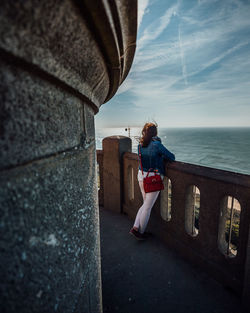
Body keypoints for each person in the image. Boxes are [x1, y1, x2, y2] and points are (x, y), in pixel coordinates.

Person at [129, 122, 175, 240]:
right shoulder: (157, 145)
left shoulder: (140, 145)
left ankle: (135, 227)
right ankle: (140, 233)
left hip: (141, 175)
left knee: (145, 204)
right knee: (147, 207)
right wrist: (161, 157)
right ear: (156, 133)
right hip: (153, 178)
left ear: (145, 132)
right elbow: (171, 157)